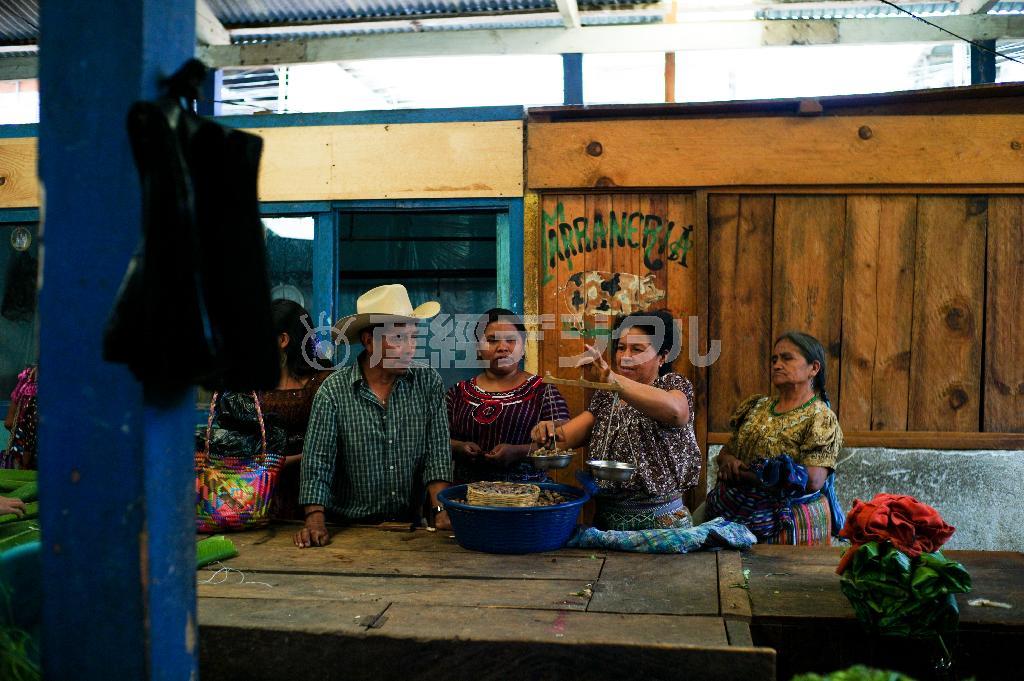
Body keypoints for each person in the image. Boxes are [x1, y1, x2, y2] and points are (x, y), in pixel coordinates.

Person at [295, 284, 452, 548]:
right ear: (369, 341)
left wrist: (440, 511)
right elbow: (317, 462)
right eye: (399, 338)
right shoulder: (333, 391)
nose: (410, 348)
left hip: (410, 529)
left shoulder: (428, 383)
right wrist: (314, 518)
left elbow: (437, 454)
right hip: (348, 529)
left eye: (413, 338)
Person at [531, 310, 701, 530]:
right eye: (621, 348)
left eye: (637, 349)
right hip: (607, 526)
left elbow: (677, 412)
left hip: (661, 527)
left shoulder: (672, 385)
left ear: (663, 356)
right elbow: (564, 439)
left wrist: (613, 379)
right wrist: (547, 431)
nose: (625, 356)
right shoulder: (607, 395)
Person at [196, 299, 333, 520]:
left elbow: (332, 444)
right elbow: (233, 438)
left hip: (312, 497)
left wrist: (282, 461)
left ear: (282, 340)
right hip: (251, 496)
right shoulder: (249, 384)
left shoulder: (325, 384)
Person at [704, 331, 844, 545]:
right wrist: (730, 462)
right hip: (737, 512)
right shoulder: (758, 406)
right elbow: (726, 452)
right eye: (774, 359)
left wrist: (749, 475)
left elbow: (813, 480)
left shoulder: (820, 418)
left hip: (789, 523)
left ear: (813, 368)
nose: (777, 364)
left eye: (787, 358)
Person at [447, 308, 569, 484]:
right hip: (467, 500)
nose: (502, 347)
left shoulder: (543, 391)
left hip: (529, 501)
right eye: (491, 340)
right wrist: (458, 447)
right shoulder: (457, 393)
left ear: (523, 348)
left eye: (511, 340)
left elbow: (565, 439)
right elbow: (435, 441)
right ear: (478, 349)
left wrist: (519, 452)